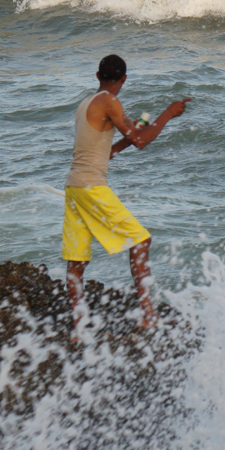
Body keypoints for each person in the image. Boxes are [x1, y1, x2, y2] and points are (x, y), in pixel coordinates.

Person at [62, 53, 190, 336]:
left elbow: (111, 145)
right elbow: (141, 141)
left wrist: (121, 144)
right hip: (91, 186)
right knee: (141, 241)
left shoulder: (86, 103)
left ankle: (78, 323)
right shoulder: (110, 101)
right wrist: (168, 114)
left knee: (77, 258)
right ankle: (148, 315)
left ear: (98, 76)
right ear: (124, 79)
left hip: (73, 186)